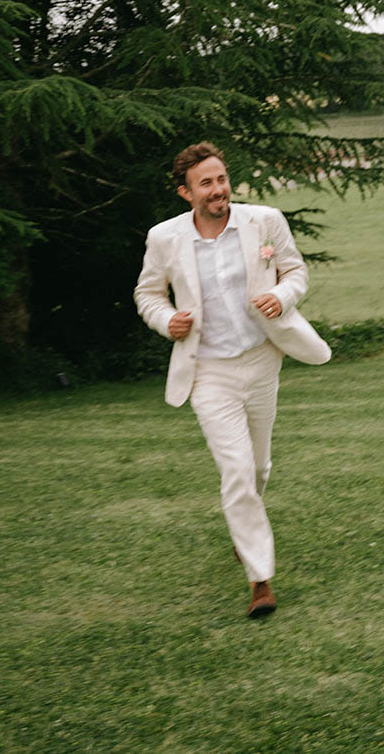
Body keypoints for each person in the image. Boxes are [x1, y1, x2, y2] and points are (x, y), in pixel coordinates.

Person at [134, 142, 333, 618]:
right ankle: (259, 579)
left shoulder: (264, 221)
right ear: (186, 193)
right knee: (238, 471)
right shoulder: (165, 238)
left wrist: (281, 297)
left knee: (259, 468)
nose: (218, 189)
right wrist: (168, 321)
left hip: (262, 360)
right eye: (207, 183)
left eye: (221, 179)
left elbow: (296, 272)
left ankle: (245, 530)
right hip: (208, 372)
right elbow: (148, 295)